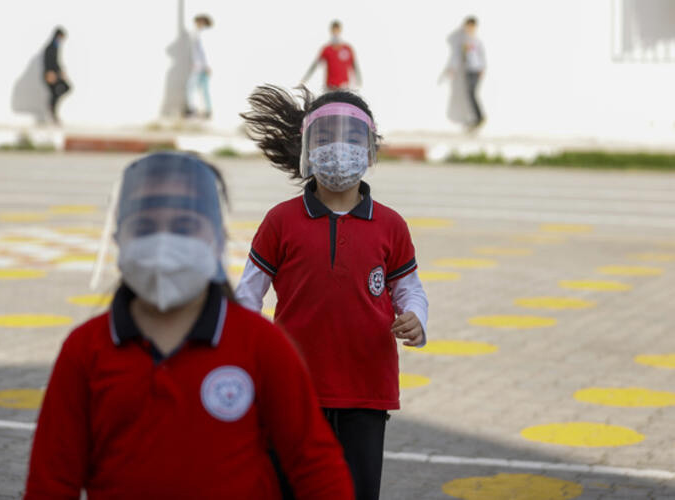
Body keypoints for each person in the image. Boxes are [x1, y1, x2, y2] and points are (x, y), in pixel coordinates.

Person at [24, 152, 354, 499]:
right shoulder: (86, 349)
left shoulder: (261, 343)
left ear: (215, 238)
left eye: (183, 226)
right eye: (146, 226)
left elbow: (315, 465)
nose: (164, 242)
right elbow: (51, 479)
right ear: (119, 238)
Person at [237, 86, 429, 500]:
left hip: (367, 391)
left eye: (352, 138)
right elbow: (247, 295)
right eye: (324, 138)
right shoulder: (280, 220)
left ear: (370, 149)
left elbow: (409, 289)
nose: (338, 148)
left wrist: (416, 317)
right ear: (305, 148)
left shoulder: (390, 224)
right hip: (292, 390)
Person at [447, 17, 486, 130]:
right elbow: (457, 56)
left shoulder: (477, 41)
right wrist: (453, 68)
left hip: (476, 70)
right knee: (470, 94)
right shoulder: (464, 41)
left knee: (472, 93)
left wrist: (482, 68)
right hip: (468, 70)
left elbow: (482, 56)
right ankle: (476, 117)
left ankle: (479, 117)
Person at [301, 20, 361, 92]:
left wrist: (358, 80)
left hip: (344, 86)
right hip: (330, 86)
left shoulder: (347, 48)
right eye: (334, 30)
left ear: (340, 30)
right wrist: (305, 79)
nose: (336, 32)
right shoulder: (326, 49)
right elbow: (314, 65)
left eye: (337, 29)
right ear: (331, 31)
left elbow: (354, 66)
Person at [186, 14, 213, 119]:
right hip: (201, 66)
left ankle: (193, 110)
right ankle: (206, 110)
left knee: (191, 87)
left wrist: (207, 65)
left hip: (200, 66)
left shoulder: (202, 35)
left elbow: (204, 52)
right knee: (203, 89)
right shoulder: (198, 34)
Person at [42, 27, 71, 125]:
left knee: (65, 88)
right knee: (54, 93)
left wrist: (61, 72)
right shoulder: (50, 47)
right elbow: (48, 62)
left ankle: (52, 111)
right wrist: (49, 73)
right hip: (50, 75)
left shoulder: (56, 47)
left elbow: (56, 62)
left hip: (56, 75)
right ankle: (52, 113)